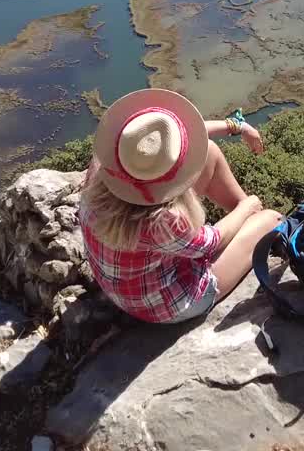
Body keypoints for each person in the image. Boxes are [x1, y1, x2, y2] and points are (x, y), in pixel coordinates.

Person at [77, 88, 284, 324]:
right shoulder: (162, 219)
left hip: (123, 286)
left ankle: (249, 223)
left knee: (209, 151)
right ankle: (255, 223)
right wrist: (247, 206)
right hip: (165, 304)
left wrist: (237, 126)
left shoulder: (105, 169)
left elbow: (183, 136)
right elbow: (210, 243)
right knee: (272, 219)